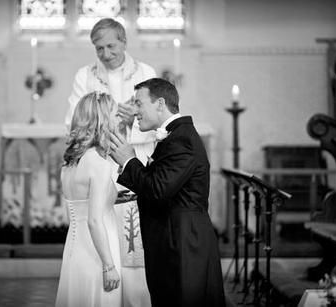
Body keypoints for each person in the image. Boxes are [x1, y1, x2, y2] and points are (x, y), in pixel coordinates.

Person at [110, 78, 226, 307]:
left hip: (183, 243)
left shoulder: (181, 139)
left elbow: (158, 190)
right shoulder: (176, 136)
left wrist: (129, 161)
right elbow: (168, 187)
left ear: (160, 103)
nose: (135, 111)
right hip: (176, 238)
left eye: (139, 103)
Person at [64, 18, 156, 307]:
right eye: (98, 48)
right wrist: (111, 120)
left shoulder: (145, 72)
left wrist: (134, 120)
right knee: (107, 248)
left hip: (135, 169)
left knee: (136, 261)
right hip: (99, 169)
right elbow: (74, 122)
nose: (105, 53)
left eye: (111, 46)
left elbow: (158, 123)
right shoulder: (85, 75)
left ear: (124, 41)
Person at [55, 92, 122, 307]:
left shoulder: (70, 163)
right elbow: (94, 220)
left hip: (75, 251)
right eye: (115, 114)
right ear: (102, 119)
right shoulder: (99, 164)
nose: (119, 119)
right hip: (98, 254)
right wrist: (108, 266)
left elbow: (76, 211)